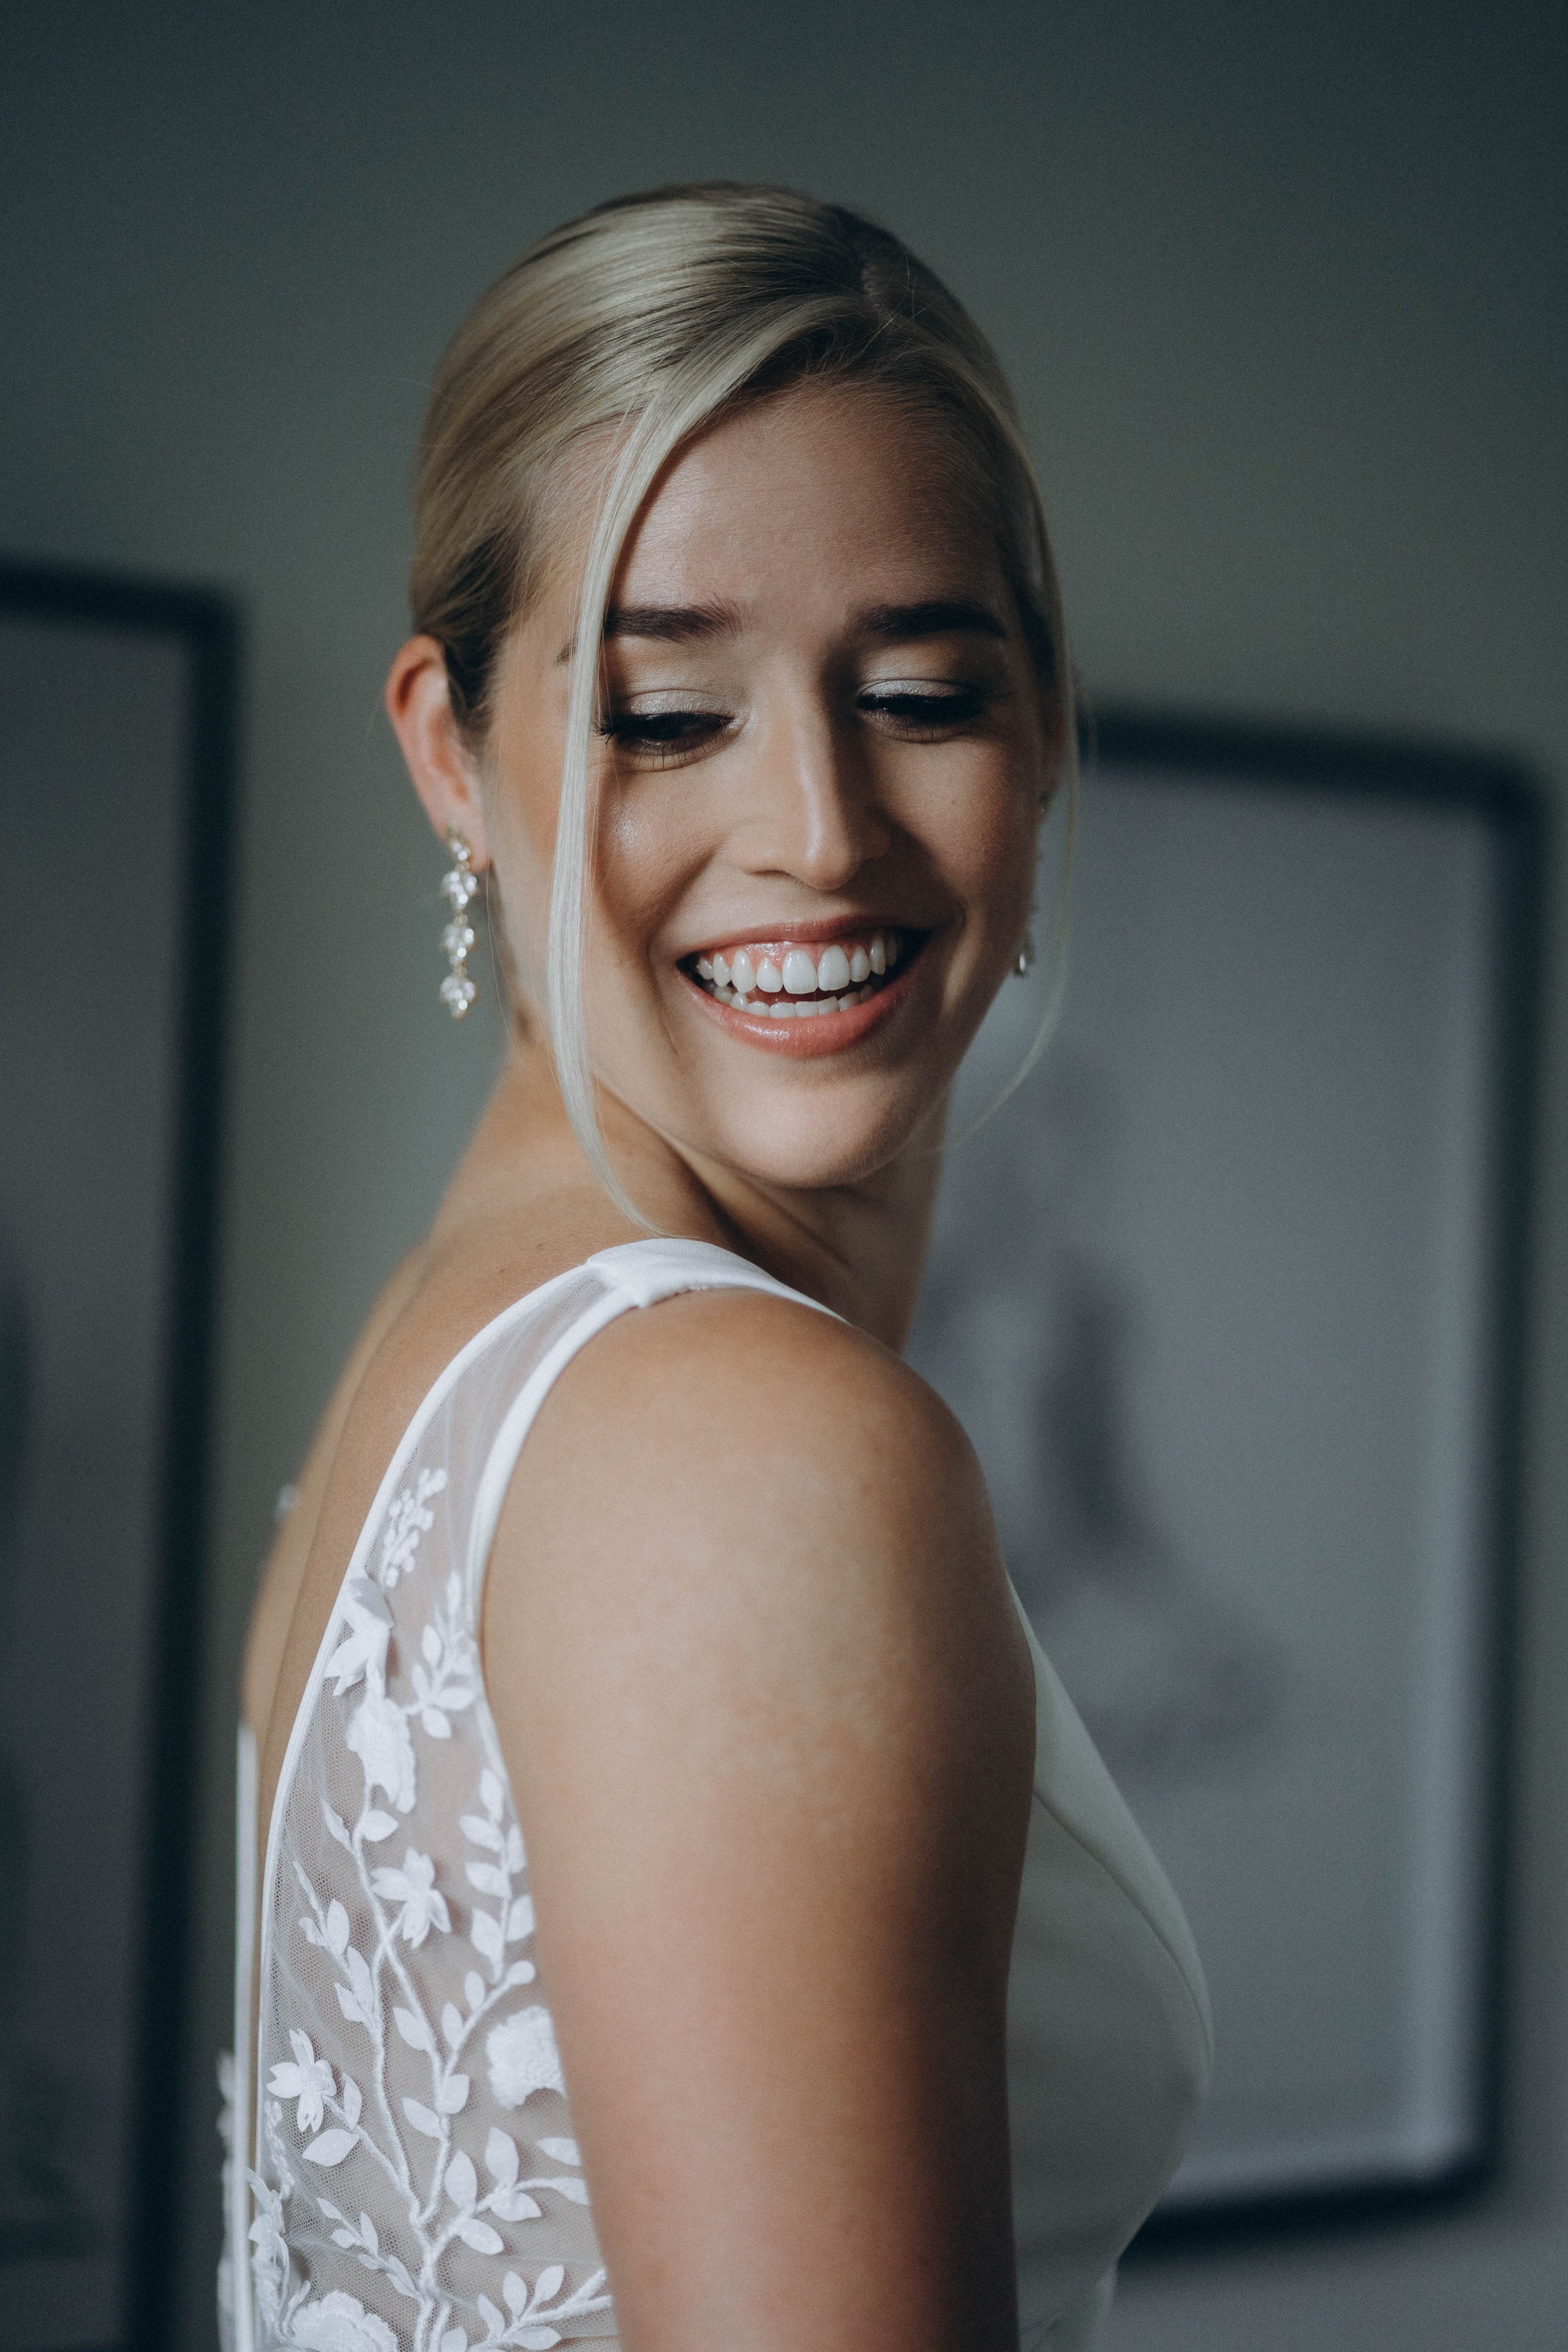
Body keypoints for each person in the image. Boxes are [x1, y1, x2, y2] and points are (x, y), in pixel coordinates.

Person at [225, 183, 1210, 2352]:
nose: (822, 833)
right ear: (447, 750)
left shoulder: (453, 1345)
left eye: (924, 693)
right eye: (668, 717)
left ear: (1048, 730)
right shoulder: (746, 1449)